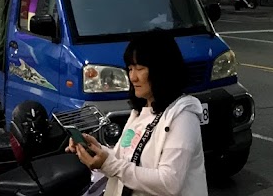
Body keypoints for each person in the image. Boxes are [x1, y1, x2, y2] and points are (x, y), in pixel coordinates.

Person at [68, 30, 208, 196]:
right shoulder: (139, 113)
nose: (133, 77)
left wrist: (109, 164)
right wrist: (97, 150)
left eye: (140, 68)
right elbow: (126, 159)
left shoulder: (183, 117)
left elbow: (170, 182)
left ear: (162, 70)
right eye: (130, 69)